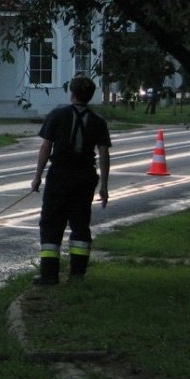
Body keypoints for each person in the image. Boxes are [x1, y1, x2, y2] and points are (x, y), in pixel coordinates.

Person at [30, 75, 111, 285]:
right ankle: (77, 274)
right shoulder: (98, 122)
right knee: (80, 223)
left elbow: (46, 147)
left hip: (60, 175)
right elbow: (103, 154)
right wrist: (104, 186)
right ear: (90, 96)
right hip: (85, 177)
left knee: (51, 223)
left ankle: (49, 275)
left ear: (72, 93)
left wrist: (37, 176)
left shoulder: (57, 115)